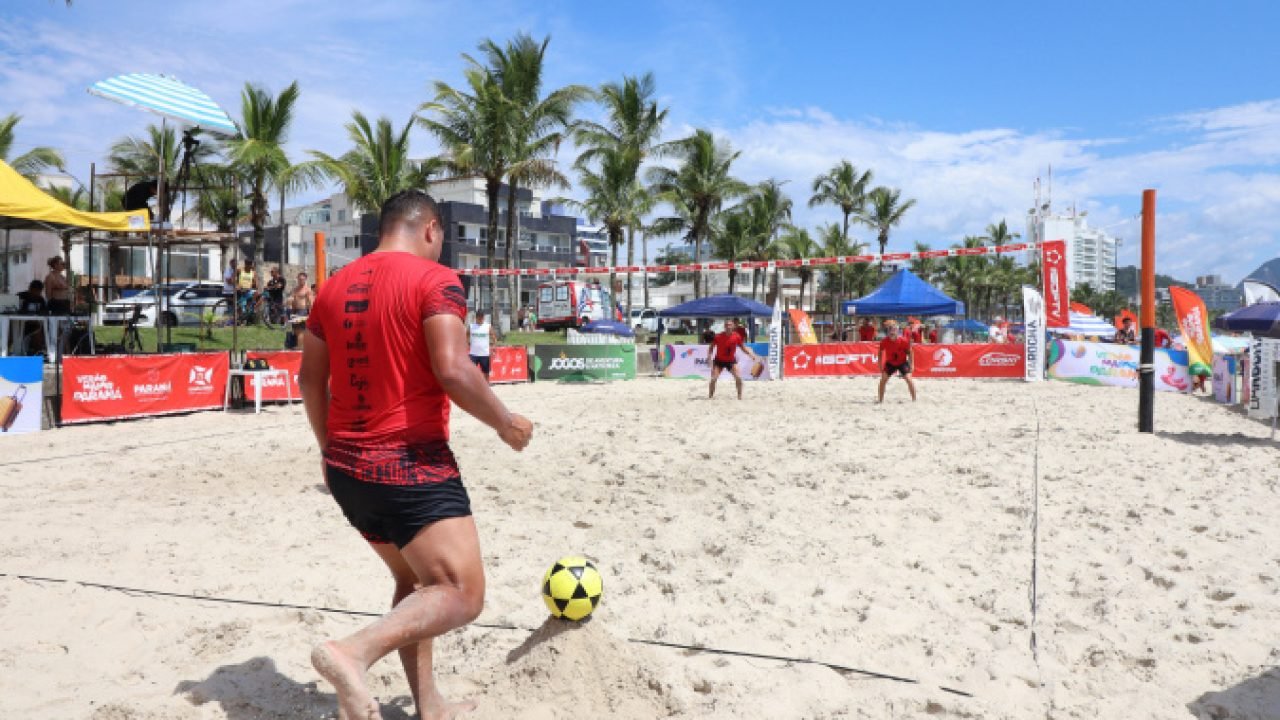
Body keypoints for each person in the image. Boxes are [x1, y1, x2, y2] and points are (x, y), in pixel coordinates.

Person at [300, 189, 532, 720]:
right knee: (461, 593)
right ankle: (351, 652)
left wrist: (328, 448)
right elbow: (453, 369)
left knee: (416, 585)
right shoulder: (435, 279)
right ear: (430, 228)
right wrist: (505, 423)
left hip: (345, 469)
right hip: (409, 464)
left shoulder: (332, 287)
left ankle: (431, 706)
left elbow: (311, 379)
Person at [706, 319, 761, 400]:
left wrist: (751, 355)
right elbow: (711, 348)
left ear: (733, 326)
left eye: (730, 325)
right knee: (713, 379)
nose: (728, 327)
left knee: (738, 378)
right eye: (727, 325)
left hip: (731, 361)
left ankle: (739, 397)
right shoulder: (718, 337)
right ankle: (710, 396)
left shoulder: (736, 336)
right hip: (719, 361)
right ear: (724, 327)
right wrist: (709, 358)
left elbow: (743, 348)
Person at [877, 319, 917, 403]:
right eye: (890, 331)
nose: (892, 333)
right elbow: (880, 352)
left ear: (897, 332)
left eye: (894, 331)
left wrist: (912, 365)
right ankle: (880, 400)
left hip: (902, 362)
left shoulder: (903, 341)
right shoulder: (884, 341)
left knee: (909, 380)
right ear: (888, 332)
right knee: (883, 380)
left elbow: (910, 352)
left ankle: (914, 400)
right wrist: (880, 365)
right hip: (890, 363)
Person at [14, 281, 46, 354]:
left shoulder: (41, 300)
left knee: (39, 335)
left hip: (35, 325)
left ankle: (36, 354)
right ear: (30, 289)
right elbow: (15, 309)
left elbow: (44, 313)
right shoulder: (20, 296)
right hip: (18, 325)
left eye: (38, 291)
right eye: (34, 290)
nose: (36, 293)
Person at [468, 311, 491, 381]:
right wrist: (467, 343)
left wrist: (493, 346)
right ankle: (471, 385)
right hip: (473, 354)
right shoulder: (471, 326)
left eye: (482, 317)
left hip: (484, 354)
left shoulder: (488, 326)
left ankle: (487, 386)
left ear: (484, 317)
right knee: (471, 372)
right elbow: (467, 334)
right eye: (479, 317)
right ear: (476, 317)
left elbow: (493, 336)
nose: (481, 319)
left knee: (486, 372)